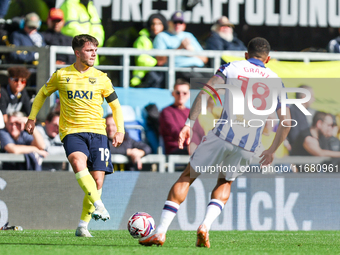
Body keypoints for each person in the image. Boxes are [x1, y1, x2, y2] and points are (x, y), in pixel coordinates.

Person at [139, 37, 291, 247]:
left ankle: (160, 232)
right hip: (248, 146)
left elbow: (206, 93)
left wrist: (189, 124)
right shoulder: (276, 80)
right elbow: (286, 122)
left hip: (222, 135)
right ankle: (205, 226)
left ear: (246, 55)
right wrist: (272, 149)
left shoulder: (232, 68)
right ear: (269, 59)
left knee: (188, 176)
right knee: (225, 182)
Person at [24, 34, 125, 237]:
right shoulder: (61, 75)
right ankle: (99, 205)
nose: (94, 54)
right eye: (89, 50)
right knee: (78, 162)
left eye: (95, 50)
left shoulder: (102, 78)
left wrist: (120, 129)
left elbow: (115, 106)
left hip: (98, 132)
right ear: (77, 53)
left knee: (97, 181)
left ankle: (82, 226)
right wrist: (32, 117)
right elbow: (42, 93)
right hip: (72, 131)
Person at [153, 11, 208, 83]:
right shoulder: (162, 36)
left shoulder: (188, 35)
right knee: (205, 84)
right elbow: (160, 62)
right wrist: (179, 48)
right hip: (180, 69)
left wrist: (192, 53)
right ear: (169, 23)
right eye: (175, 22)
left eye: (180, 22)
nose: (177, 25)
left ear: (184, 25)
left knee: (219, 81)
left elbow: (205, 59)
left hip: (199, 68)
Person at [60, 0, 104, 65]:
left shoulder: (91, 6)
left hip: (92, 61)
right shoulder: (69, 3)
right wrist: (89, 42)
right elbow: (70, 28)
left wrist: (94, 43)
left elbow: (98, 29)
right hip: (75, 56)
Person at [130, 13, 167, 88]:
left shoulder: (168, 39)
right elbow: (141, 59)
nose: (155, 27)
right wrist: (159, 62)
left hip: (162, 76)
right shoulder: (143, 39)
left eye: (159, 24)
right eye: (153, 24)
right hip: (142, 79)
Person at [159, 79, 190, 154]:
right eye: (178, 92)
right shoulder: (166, 112)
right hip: (175, 149)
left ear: (189, 94)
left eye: (184, 93)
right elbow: (175, 132)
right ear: (173, 93)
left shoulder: (191, 112)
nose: (181, 95)